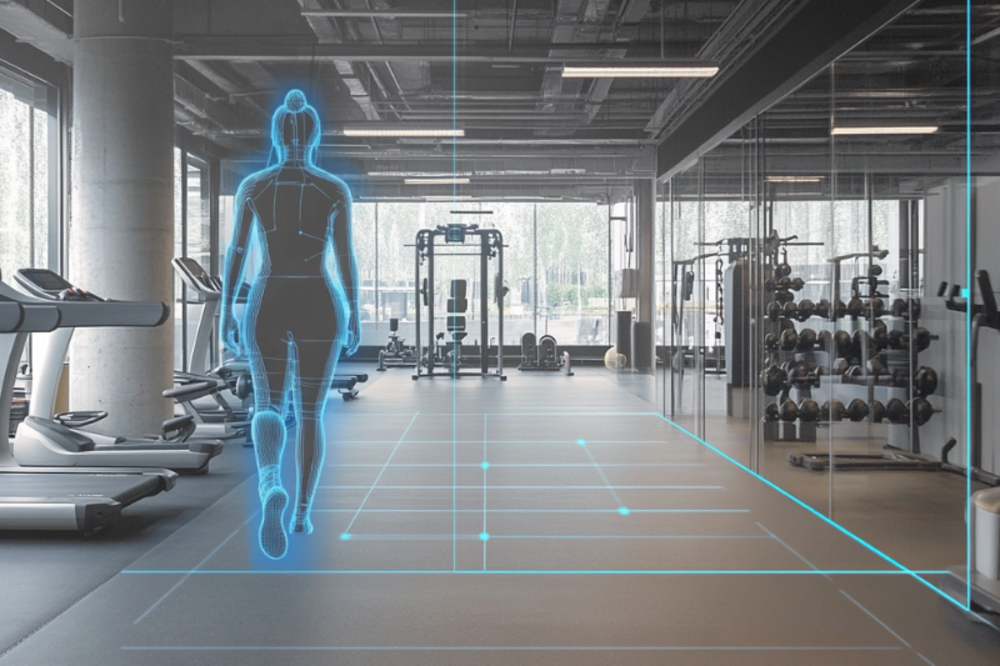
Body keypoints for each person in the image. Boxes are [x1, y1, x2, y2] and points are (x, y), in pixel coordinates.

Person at [220, 89, 360, 559]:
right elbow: (344, 257)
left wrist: (226, 312)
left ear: (277, 137)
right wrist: (356, 312)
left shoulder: (255, 186)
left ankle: (268, 484)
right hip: (320, 296)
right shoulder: (333, 189)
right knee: (312, 414)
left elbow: (237, 253)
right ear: (314, 137)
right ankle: (300, 512)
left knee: (269, 404)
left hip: (271, 294)